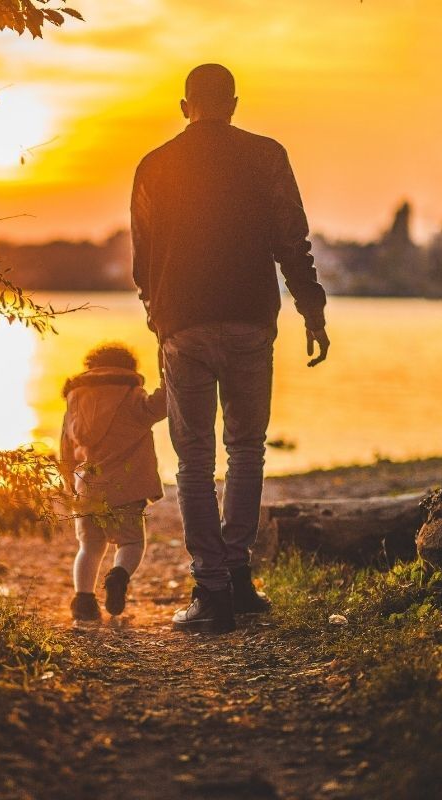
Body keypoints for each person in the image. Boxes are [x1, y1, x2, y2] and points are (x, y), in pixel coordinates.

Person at [131, 63, 330, 633]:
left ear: (183, 105)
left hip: (184, 326)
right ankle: (238, 577)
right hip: (248, 319)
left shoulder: (154, 164)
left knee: (194, 459)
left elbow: (143, 259)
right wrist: (311, 310)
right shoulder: (267, 156)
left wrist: (157, 318)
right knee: (247, 448)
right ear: (234, 104)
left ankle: (212, 589)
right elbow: (292, 241)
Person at [59, 342, 168, 625]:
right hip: (126, 489)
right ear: (128, 369)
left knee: (89, 548)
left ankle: (83, 601)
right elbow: (164, 404)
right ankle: (118, 576)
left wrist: (69, 485)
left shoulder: (74, 400)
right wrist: (168, 368)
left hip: (86, 489)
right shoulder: (133, 396)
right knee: (131, 542)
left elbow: (65, 450)